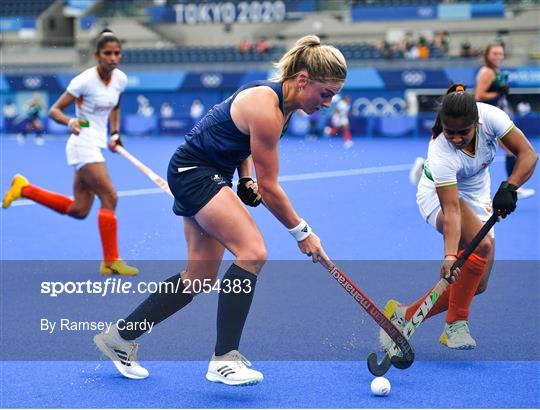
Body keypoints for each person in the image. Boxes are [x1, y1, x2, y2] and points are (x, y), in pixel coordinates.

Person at [93, 35, 346, 386]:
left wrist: (244, 180)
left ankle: (119, 338)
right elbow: (271, 188)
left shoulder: (277, 105)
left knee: (198, 277)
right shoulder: (267, 107)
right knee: (253, 252)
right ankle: (224, 358)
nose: (328, 103)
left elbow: (242, 145)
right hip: (196, 174)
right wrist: (303, 233)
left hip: (204, 173)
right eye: (326, 93)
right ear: (302, 80)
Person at [383, 84, 537, 351]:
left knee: (477, 284)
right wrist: (450, 256)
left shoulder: (492, 117)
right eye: (449, 132)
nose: (455, 138)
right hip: (438, 196)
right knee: (482, 246)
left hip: (478, 195)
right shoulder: (440, 151)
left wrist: (510, 187)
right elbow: (452, 210)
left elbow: (528, 155)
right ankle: (456, 325)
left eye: (462, 132)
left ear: (476, 123)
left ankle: (404, 315)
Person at [2, 29, 138, 276]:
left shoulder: (120, 79)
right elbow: (54, 110)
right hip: (81, 142)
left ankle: (23, 189)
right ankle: (110, 261)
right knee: (110, 196)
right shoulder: (84, 81)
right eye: (108, 53)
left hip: (96, 142)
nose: (113, 57)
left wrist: (115, 133)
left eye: (117, 53)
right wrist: (70, 122)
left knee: (79, 210)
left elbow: (115, 106)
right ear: (97, 54)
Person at [475, 42, 535, 199]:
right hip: (484, 119)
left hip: (492, 116)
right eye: (494, 53)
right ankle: (512, 188)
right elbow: (479, 96)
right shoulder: (487, 72)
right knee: (510, 150)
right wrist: (497, 94)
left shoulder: (496, 71)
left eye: (500, 53)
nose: (498, 56)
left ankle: (512, 187)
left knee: (509, 150)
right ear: (487, 55)